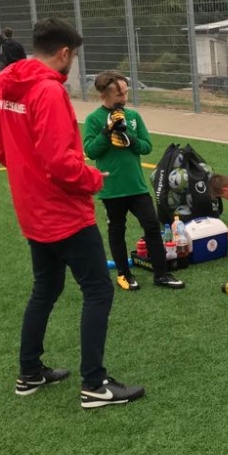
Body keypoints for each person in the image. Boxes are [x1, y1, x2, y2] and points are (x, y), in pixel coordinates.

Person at [0, 18, 144, 410]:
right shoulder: (48, 91)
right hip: (64, 212)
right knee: (98, 290)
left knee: (46, 288)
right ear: (64, 53)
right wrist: (93, 179)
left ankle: (29, 372)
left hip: (32, 211)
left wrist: (28, 176)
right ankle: (94, 384)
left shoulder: (4, 87)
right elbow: (60, 163)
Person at [82, 70, 185, 291]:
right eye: (118, 94)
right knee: (117, 230)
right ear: (103, 95)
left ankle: (161, 274)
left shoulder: (133, 117)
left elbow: (147, 147)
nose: (124, 98)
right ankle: (124, 274)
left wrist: (130, 139)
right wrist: (106, 133)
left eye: (125, 92)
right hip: (112, 188)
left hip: (137, 186)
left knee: (151, 225)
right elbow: (90, 151)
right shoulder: (93, 119)